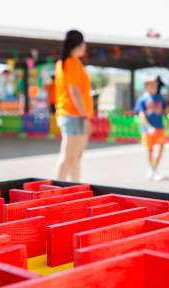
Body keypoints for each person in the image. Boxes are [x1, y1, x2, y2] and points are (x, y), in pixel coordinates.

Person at [55, 30, 94, 182]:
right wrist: (85, 117)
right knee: (69, 157)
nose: (85, 46)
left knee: (75, 157)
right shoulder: (71, 63)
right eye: (83, 43)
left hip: (73, 114)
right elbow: (74, 92)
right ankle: (55, 193)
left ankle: (75, 188)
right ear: (77, 44)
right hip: (74, 115)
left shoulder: (68, 62)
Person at [136, 75, 168, 181]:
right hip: (147, 129)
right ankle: (152, 169)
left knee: (160, 147)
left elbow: (164, 111)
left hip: (159, 127)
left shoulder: (160, 98)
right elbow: (141, 115)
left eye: (155, 84)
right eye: (151, 84)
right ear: (146, 86)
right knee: (150, 150)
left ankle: (154, 168)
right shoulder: (142, 99)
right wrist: (148, 127)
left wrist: (167, 120)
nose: (154, 86)